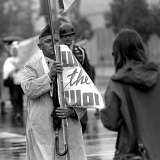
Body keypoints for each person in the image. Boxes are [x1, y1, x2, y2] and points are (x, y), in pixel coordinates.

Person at [21, 24, 87, 160]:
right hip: (42, 127)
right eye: (48, 42)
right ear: (40, 46)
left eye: (56, 41)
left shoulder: (72, 64)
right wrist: (49, 75)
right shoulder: (31, 66)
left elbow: (84, 95)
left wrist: (73, 111)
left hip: (67, 124)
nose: (53, 44)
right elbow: (29, 90)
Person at [101, 28, 160, 160]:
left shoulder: (117, 83)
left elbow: (111, 121)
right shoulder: (157, 76)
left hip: (133, 153)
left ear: (117, 54)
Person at [59, 23, 94, 133]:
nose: (68, 38)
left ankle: (79, 144)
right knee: (64, 123)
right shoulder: (56, 52)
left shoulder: (81, 51)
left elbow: (88, 71)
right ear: (61, 38)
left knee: (82, 122)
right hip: (63, 92)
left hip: (80, 92)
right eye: (65, 36)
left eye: (70, 35)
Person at [3, 41, 24, 122]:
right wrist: (15, 68)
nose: (15, 51)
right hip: (13, 83)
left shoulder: (21, 59)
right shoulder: (9, 60)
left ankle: (20, 112)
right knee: (14, 97)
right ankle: (16, 111)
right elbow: (7, 71)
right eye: (14, 50)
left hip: (21, 81)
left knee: (20, 98)